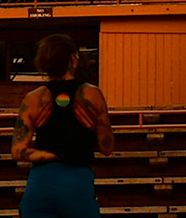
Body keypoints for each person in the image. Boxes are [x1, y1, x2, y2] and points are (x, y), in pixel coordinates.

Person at [12, 32, 113, 216]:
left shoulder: (33, 99)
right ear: (73, 59)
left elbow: (18, 150)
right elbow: (107, 146)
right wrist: (79, 144)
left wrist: (56, 154)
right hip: (77, 179)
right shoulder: (92, 94)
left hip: (40, 182)